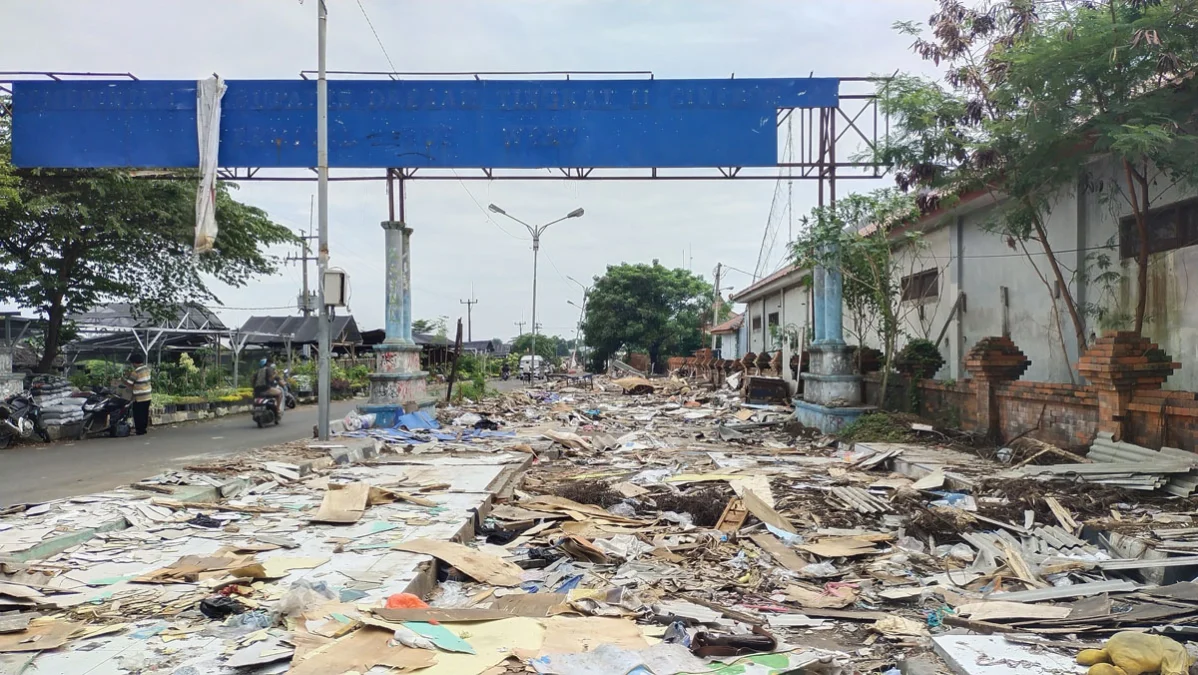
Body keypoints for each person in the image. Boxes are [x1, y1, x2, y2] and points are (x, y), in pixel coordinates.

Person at [125, 353, 153, 436]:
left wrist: (123, 380)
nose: (132, 365)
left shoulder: (135, 372)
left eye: (132, 363)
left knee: (138, 414)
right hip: (147, 395)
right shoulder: (147, 369)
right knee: (144, 413)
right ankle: (143, 429)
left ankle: (139, 430)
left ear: (135, 363)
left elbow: (129, 384)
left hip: (139, 397)